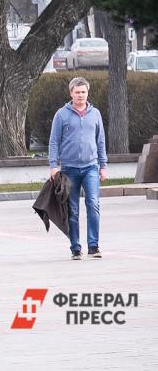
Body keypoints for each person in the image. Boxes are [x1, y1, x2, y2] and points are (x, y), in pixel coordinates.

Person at [49, 77, 107, 260]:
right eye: (77, 92)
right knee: (72, 209)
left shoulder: (95, 113)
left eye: (83, 92)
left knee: (93, 204)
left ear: (87, 93)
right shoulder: (61, 114)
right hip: (69, 169)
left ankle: (93, 246)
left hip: (91, 167)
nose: (80, 95)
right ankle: (75, 247)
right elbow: (53, 141)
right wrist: (53, 165)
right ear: (71, 93)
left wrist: (103, 165)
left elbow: (101, 141)